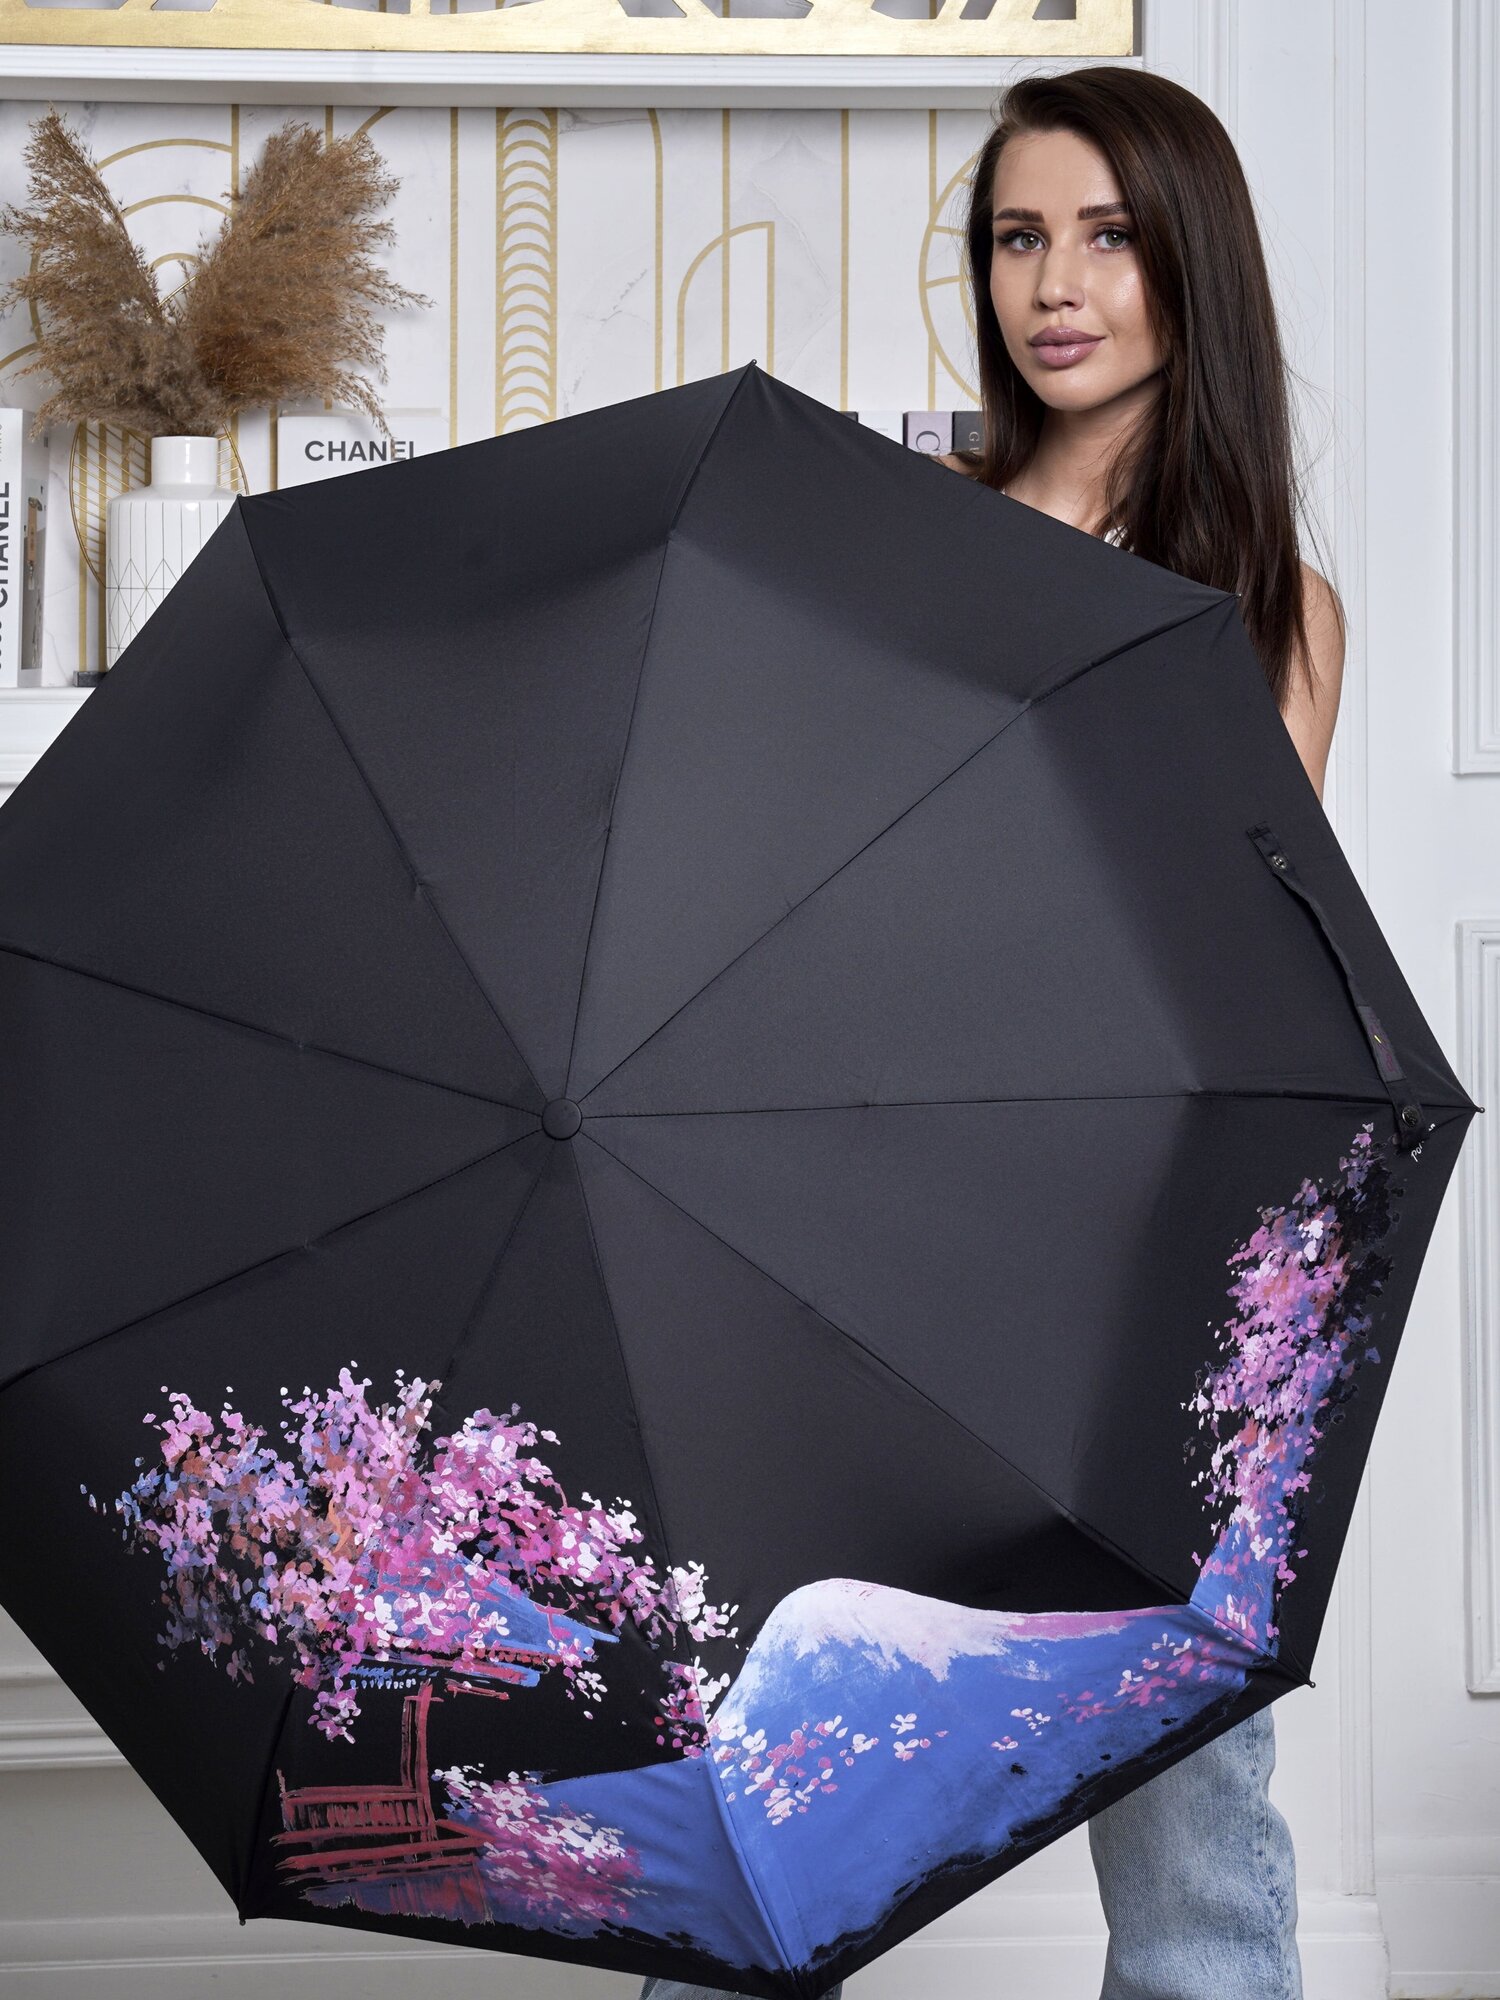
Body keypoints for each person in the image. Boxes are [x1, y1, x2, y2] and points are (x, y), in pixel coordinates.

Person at [639, 62, 1345, 2000]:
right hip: (856, 1208)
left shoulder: (1272, 607)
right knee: (757, 1741)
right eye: (1020, 237)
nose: (1057, 284)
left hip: (1138, 1241)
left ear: (1192, 263)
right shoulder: (903, 528)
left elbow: (1226, 970)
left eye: (1109, 236)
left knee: (1194, 1792)